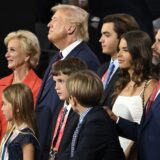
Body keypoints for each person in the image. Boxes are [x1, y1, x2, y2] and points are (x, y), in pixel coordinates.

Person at [36, 4, 100, 153]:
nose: (49, 24)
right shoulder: (57, 57)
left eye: (55, 20)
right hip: (43, 140)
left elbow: (80, 110)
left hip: (60, 146)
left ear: (70, 28)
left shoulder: (85, 60)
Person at [106, 30, 158, 159]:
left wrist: (130, 152)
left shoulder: (150, 86)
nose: (119, 54)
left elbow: (147, 130)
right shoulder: (121, 84)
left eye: (125, 50)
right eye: (119, 49)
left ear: (138, 52)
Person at [59, 70, 125, 160]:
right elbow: (69, 153)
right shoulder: (89, 116)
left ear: (73, 100)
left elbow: (82, 157)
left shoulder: (97, 122)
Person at [40, 58, 87, 160]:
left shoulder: (82, 112)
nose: (56, 87)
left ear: (76, 80)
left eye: (61, 81)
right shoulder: (59, 107)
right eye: (55, 82)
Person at [0, 30, 42, 142]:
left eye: (12, 50)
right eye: (7, 50)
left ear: (27, 55)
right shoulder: (1, 83)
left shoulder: (40, 88)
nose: (6, 55)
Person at [97, 13, 140, 107]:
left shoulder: (133, 71)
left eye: (107, 35)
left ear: (123, 38)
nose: (101, 40)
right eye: (102, 35)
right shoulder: (101, 69)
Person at [0, 83, 39, 160]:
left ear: (17, 107)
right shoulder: (12, 131)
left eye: (4, 104)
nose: (2, 109)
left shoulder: (26, 137)